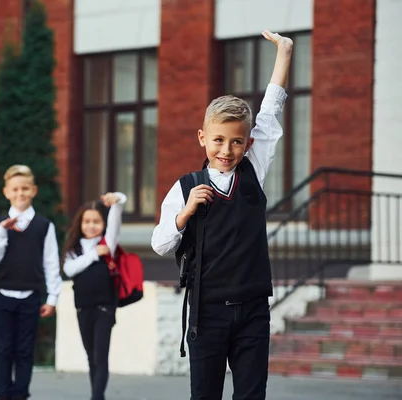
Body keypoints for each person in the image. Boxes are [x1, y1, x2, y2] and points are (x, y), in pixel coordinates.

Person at [150, 30, 293, 400]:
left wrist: (285, 54)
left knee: (251, 395)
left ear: (248, 143)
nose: (227, 149)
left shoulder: (253, 170)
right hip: (207, 312)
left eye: (236, 141)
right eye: (218, 140)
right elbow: (161, 244)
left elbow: (270, 111)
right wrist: (185, 212)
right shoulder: (186, 186)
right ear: (202, 138)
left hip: (252, 310)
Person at [0, 165, 62, 400]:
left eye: (25, 188)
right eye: (15, 189)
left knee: (25, 349)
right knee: (3, 348)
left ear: (34, 191)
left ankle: (20, 394)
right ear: (6, 192)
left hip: (30, 296)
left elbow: (51, 262)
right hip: (3, 295)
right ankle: (3, 393)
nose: (20, 193)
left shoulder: (43, 226)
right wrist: (1, 233)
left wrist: (53, 297)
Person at [62, 192, 127, 400]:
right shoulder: (75, 247)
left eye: (96, 221)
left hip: (104, 308)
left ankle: (97, 397)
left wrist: (117, 201)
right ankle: (96, 394)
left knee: (100, 356)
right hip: (82, 308)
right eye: (87, 221)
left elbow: (116, 221)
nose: (91, 226)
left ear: (103, 223)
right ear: (80, 223)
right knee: (91, 356)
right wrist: (92, 255)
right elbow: (69, 270)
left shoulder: (108, 243)